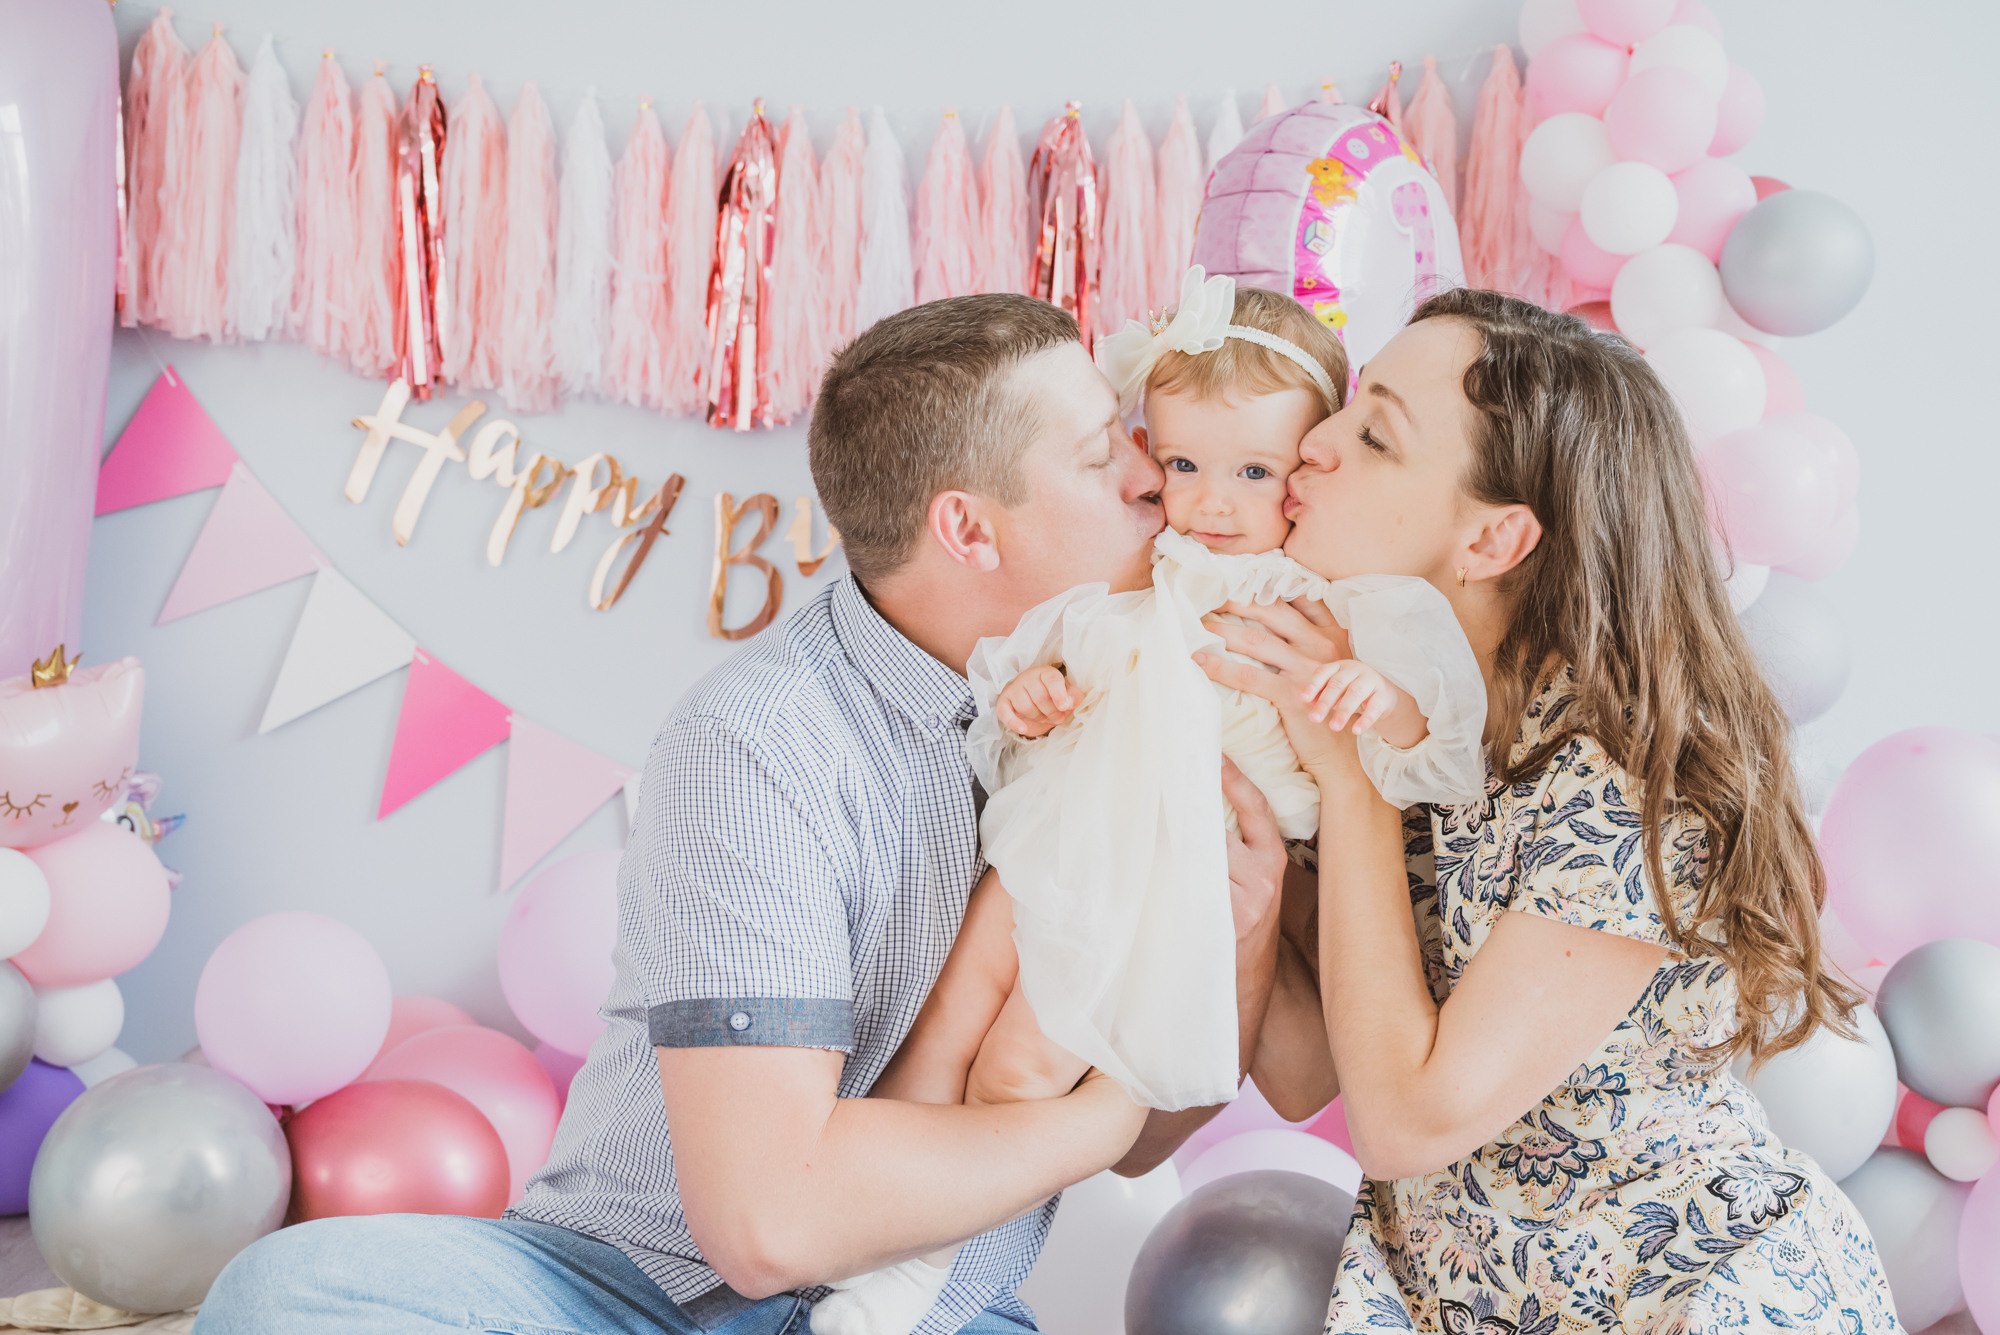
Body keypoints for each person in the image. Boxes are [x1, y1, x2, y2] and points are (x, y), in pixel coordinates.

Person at [193, 294, 1293, 1335]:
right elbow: (770, 1227)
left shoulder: (1147, 711)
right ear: (967, 530)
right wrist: (1091, 1123)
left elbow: (1147, 1140)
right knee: (290, 1292)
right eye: (1107, 455)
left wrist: (1241, 941)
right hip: (634, 1295)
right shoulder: (763, 741)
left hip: (927, 1310)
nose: (1157, 480)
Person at [1201, 288, 1902, 1332]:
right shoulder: (1390, 698)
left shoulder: (1618, 780)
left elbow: (1399, 1122)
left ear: (1489, 541)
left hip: (1676, 1300)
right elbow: (1310, 1071)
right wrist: (1249, 892)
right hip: (1465, 1297)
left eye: (1374, 434)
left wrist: (1347, 786)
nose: (1314, 443)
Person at [809, 269, 1486, 1335]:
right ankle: (841, 1237)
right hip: (1068, 822)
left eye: (1253, 470)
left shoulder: (1327, 594)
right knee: (938, 1033)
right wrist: (1029, 691)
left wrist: (1381, 703)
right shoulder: (1143, 561)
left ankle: (913, 1284)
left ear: (1306, 468)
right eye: (1179, 463)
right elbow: (1040, 647)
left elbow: (1437, 747)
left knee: (1024, 1065)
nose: (1209, 501)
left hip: (1176, 865)